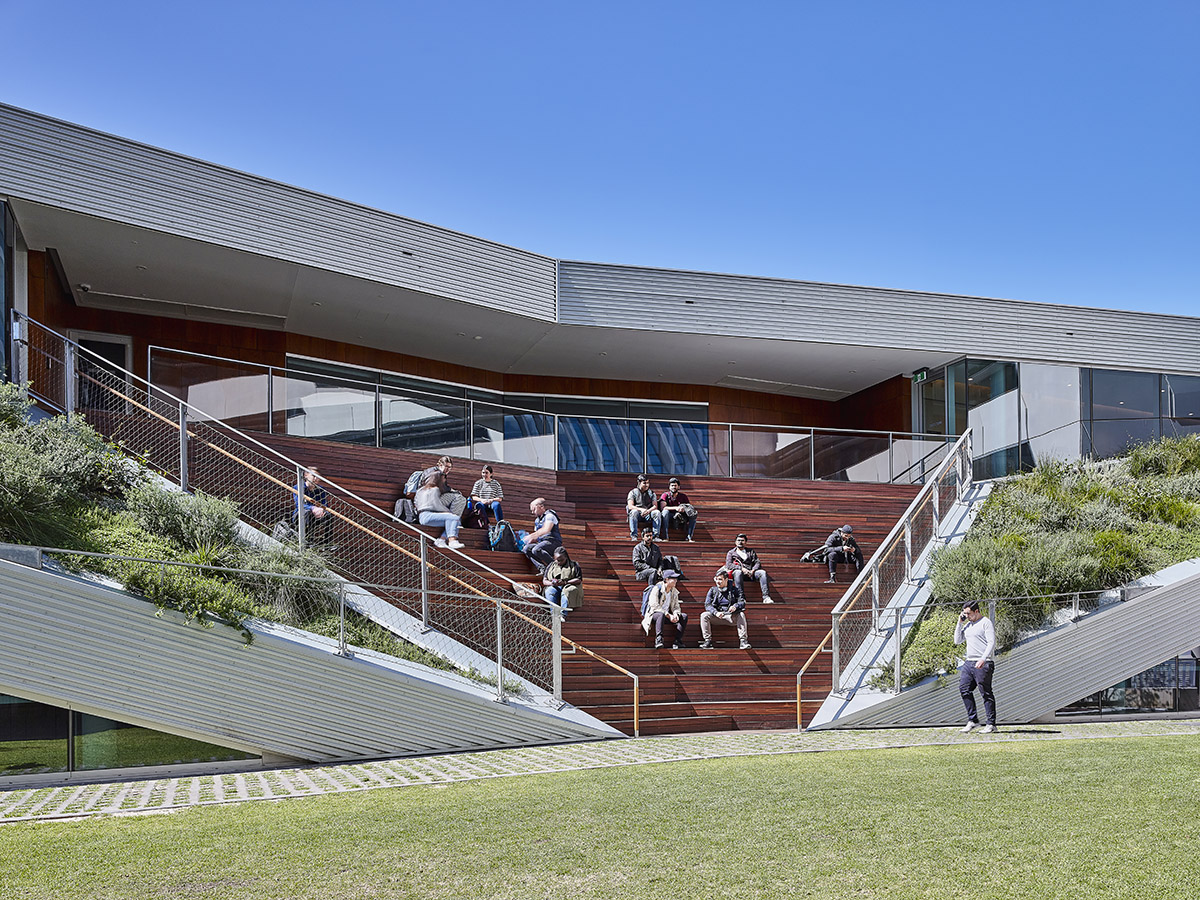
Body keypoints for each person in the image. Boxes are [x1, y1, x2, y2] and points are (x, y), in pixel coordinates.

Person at [955, 601, 998, 733]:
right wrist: (959, 623)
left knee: (985, 692)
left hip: (983, 662)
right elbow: (957, 641)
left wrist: (983, 659)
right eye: (965, 613)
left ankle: (991, 724)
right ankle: (973, 720)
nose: (966, 615)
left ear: (977, 611)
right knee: (964, 689)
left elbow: (991, 642)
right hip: (969, 662)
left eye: (968, 613)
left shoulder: (986, 623)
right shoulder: (968, 624)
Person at [700, 569, 750, 650]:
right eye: (716, 579)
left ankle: (743, 641)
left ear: (726, 579)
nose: (718, 581)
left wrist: (735, 606)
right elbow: (707, 605)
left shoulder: (735, 590)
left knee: (741, 614)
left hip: (731, 616)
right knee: (704, 615)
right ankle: (707, 641)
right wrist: (716, 612)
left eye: (720, 579)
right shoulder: (713, 590)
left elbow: (742, 602)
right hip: (717, 616)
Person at [415, 472, 465, 549]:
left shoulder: (420, 490)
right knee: (454, 518)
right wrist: (447, 512)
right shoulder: (435, 489)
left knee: (454, 521)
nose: (444, 481)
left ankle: (441, 540)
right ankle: (452, 540)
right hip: (428, 515)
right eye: (444, 478)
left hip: (422, 515)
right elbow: (436, 504)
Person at [641, 570, 688, 649]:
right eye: (673, 578)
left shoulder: (674, 591)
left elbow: (676, 606)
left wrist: (676, 614)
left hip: (667, 616)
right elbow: (654, 606)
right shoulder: (657, 589)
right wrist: (669, 615)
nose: (676, 580)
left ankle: (677, 641)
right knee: (661, 615)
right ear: (666, 579)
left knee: (683, 616)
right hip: (654, 615)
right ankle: (659, 639)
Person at [724, 533, 772, 603]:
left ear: (745, 542)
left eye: (742, 540)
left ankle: (766, 597)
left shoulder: (751, 551)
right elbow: (728, 565)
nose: (740, 542)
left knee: (762, 572)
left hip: (751, 573)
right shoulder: (731, 552)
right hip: (739, 574)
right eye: (738, 540)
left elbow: (757, 562)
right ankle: (741, 598)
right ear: (735, 542)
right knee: (738, 572)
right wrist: (741, 569)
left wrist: (753, 570)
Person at [290, 467, 331, 543]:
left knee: (328, 515)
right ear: (306, 475)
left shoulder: (321, 490)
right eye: (313, 476)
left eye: (318, 477)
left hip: (317, 515)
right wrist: (312, 508)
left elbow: (325, 504)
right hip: (300, 515)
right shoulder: (298, 487)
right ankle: (306, 540)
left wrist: (322, 510)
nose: (315, 479)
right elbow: (299, 504)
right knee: (307, 512)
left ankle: (327, 543)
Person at [542, 546, 583, 618]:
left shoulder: (574, 565)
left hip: (569, 585)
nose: (559, 562)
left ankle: (563, 614)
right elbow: (544, 581)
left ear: (566, 557)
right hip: (555, 586)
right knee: (549, 591)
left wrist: (565, 583)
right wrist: (552, 583)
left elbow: (579, 580)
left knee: (568, 591)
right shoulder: (551, 566)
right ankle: (554, 614)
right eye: (557, 560)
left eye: (561, 560)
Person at [524, 498, 562, 572]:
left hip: (553, 542)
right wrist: (527, 541)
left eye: (534, 509)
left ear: (541, 507)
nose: (532, 512)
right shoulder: (537, 520)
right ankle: (542, 569)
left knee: (536, 549)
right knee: (526, 549)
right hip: (542, 542)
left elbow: (546, 529)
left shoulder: (550, 515)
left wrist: (531, 536)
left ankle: (555, 567)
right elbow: (537, 535)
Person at [658, 477, 697, 542]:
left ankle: (689, 537)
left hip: (680, 516)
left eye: (675, 485)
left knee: (693, 516)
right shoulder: (665, 495)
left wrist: (684, 509)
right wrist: (676, 508)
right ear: (669, 487)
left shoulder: (683, 496)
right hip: (669, 516)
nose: (674, 487)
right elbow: (663, 508)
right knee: (665, 512)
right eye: (672, 485)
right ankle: (665, 537)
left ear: (679, 487)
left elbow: (688, 507)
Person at [626, 474, 662, 541]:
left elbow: (655, 506)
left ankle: (655, 536)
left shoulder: (651, 493)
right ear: (639, 483)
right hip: (638, 514)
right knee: (633, 512)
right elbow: (630, 506)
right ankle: (634, 536)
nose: (646, 485)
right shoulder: (633, 492)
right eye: (644, 483)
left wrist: (648, 511)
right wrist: (641, 509)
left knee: (657, 512)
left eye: (648, 483)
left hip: (648, 514)